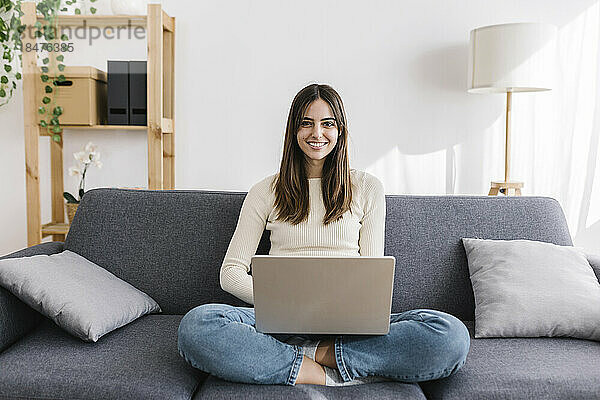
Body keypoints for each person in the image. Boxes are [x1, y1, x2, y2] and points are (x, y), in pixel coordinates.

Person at [177, 83, 470, 386]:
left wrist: (344, 310)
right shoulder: (264, 191)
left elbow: (372, 275)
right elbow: (231, 272)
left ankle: (318, 354)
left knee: (450, 334)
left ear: (340, 130)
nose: (317, 133)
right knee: (198, 326)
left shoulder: (368, 187)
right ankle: (322, 370)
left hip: (349, 327)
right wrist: (285, 304)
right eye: (306, 123)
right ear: (293, 130)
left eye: (327, 123)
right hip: (278, 325)